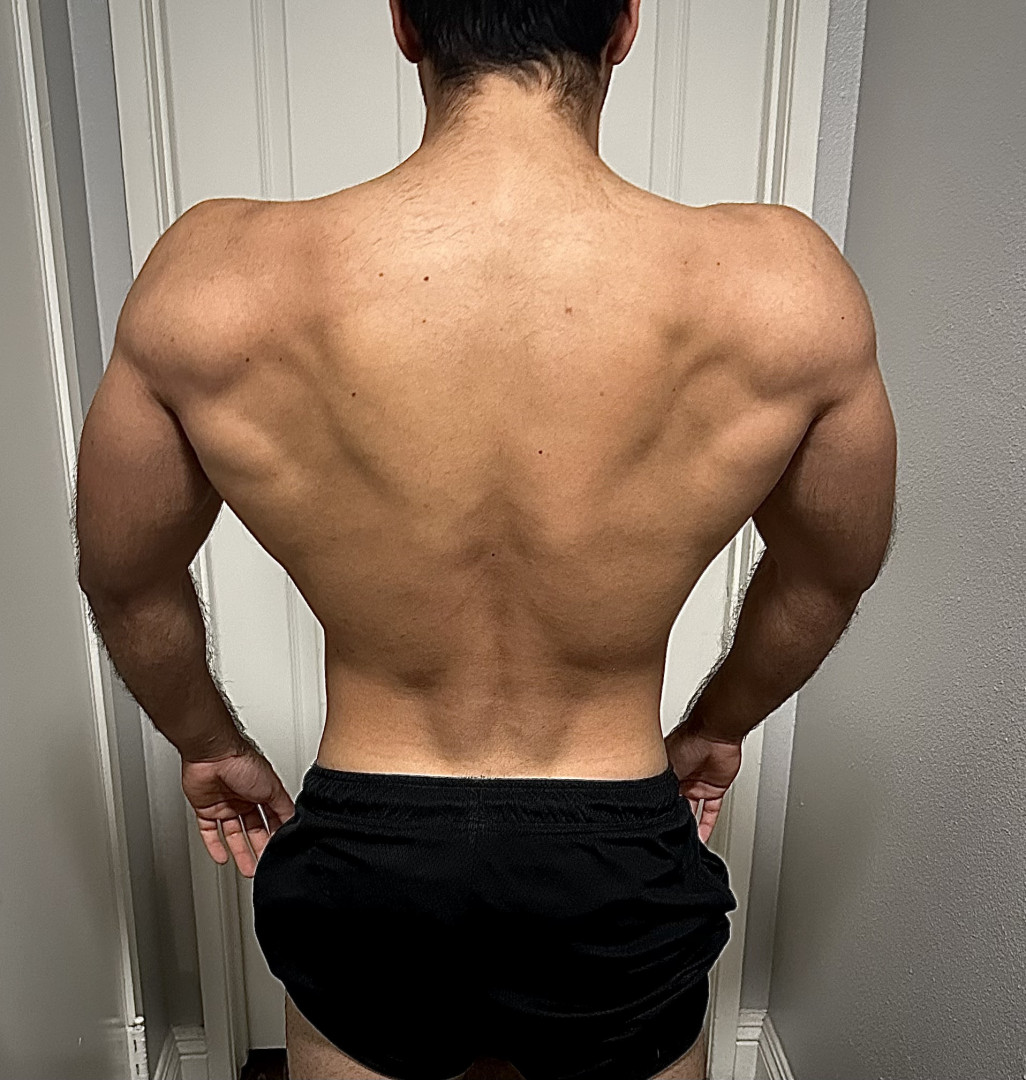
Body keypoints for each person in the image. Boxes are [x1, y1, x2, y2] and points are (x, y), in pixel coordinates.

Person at [73, 0, 898, 1077]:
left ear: (406, 23)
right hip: (615, 847)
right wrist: (716, 725)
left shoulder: (212, 275)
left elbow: (126, 578)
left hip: (370, 856)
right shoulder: (787, 288)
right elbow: (831, 574)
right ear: (625, 25)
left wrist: (209, 743)